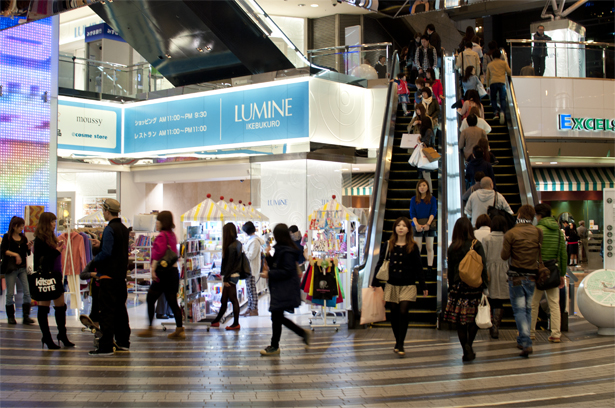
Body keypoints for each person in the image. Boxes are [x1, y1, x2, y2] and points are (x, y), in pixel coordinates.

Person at [372, 217, 427, 356]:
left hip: (408, 284)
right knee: (394, 313)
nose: (401, 228)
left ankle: (401, 343)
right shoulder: (388, 244)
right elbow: (380, 263)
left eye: (404, 225)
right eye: (398, 225)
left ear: (409, 229)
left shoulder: (413, 246)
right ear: (394, 228)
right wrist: (375, 282)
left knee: (403, 311)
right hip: (392, 284)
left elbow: (418, 267)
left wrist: (423, 285)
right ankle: (398, 340)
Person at [260, 223, 309, 356]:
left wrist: (269, 274)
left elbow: (286, 271)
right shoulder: (282, 249)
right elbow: (276, 265)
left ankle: (275, 345)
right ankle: (300, 334)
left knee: (277, 317)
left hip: (284, 289)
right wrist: (268, 256)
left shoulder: (286, 251)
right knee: (277, 317)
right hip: (280, 288)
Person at [89, 199, 130, 355]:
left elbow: (107, 253)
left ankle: (106, 345)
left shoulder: (109, 229)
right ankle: (123, 342)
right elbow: (117, 250)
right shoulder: (124, 229)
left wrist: (93, 261)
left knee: (106, 311)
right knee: (121, 310)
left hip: (108, 277)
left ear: (107, 211)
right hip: (121, 277)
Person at [501, 205, 543, 357]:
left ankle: (525, 341)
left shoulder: (511, 233)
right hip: (532, 276)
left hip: (516, 277)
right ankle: (523, 338)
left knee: (519, 309)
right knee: (528, 309)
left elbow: (504, 256)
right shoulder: (538, 232)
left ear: (519, 215)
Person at [444, 217, 488, 362]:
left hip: (458, 287)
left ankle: (466, 349)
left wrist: (450, 287)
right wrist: (485, 285)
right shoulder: (476, 245)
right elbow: (483, 266)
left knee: (460, 320)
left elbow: (450, 270)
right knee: (473, 318)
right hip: (474, 286)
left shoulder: (453, 247)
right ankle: (469, 345)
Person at [137, 211, 184, 339]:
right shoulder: (172, 235)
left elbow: (157, 255)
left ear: (163, 222)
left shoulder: (162, 236)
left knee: (151, 298)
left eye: (158, 221)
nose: (156, 224)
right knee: (173, 302)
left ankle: (150, 328)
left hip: (163, 274)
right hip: (173, 272)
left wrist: (152, 270)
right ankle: (180, 329)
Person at [32, 212, 71, 350]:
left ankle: (62, 334)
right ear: (45, 223)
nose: (54, 224)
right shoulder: (40, 239)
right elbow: (41, 260)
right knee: (44, 307)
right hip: (45, 277)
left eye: (55, 221)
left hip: (55, 275)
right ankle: (47, 337)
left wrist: (56, 247)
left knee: (60, 306)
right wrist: (57, 251)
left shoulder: (51, 238)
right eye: (52, 222)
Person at [531, 203, 567, 343]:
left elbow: (533, 252)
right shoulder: (558, 231)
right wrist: (562, 274)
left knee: (534, 303)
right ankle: (556, 334)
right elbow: (563, 255)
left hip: (538, 271)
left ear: (539, 215)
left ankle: (531, 333)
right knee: (554, 304)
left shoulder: (537, 230)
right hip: (553, 270)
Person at [1, 216, 35, 325]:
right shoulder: (7, 237)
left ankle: (26, 316)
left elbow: (25, 253)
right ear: (14, 226)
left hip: (22, 268)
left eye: (22, 226)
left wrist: (28, 248)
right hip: (10, 268)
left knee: (27, 291)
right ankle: (11, 316)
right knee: (10, 293)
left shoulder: (23, 237)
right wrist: (15, 254)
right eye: (20, 226)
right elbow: (3, 251)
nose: (21, 228)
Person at [210, 223, 243, 330]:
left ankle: (236, 323)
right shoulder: (237, 244)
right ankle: (216, 321)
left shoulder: (231, 247)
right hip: (235, 274)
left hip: (230, 276)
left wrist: (225, 278)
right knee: (224, 299)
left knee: (232, 299)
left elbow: (229, 265)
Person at [482, 215, 510, 339]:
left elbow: (483, 257)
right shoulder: (507, 238)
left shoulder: (487, 238)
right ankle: (496, 326)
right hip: (505, 269)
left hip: (490, 271)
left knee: (492, 298)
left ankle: (491, 324)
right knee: (500, 299)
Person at [409, 180, 437, 272]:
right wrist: (417, 224)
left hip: (429, 224)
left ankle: (430, 267)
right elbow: (412, 213)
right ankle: (417, 268)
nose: (422, 187)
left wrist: (428, 224)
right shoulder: (414, 199)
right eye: (420, 186)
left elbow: (433, 211)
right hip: (417, 225)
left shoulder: (432, 199)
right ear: (417, 188)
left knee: (429, 247)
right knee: (418, 248)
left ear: (427, 187)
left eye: (424, 185)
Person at [241, 221, 265, 317]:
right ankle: (250, 308)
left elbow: (251, 256)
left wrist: (243, 249)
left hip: (251, 268)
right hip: (249, 268)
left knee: (252, 290)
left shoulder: (254, 241)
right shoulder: (252, 240)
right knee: (249, 289)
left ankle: (254, 309)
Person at [485, 49, 512, 124]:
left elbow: (487, 77)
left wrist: (487, 87)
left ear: (492, 56)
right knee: (502, 99)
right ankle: (502, 112)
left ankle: (495, 112)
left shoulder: (490, 64)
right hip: (502, 82)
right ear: (500, 56)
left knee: (493, 98)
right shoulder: (503, 63)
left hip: (493, 82)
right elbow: (509, 72)